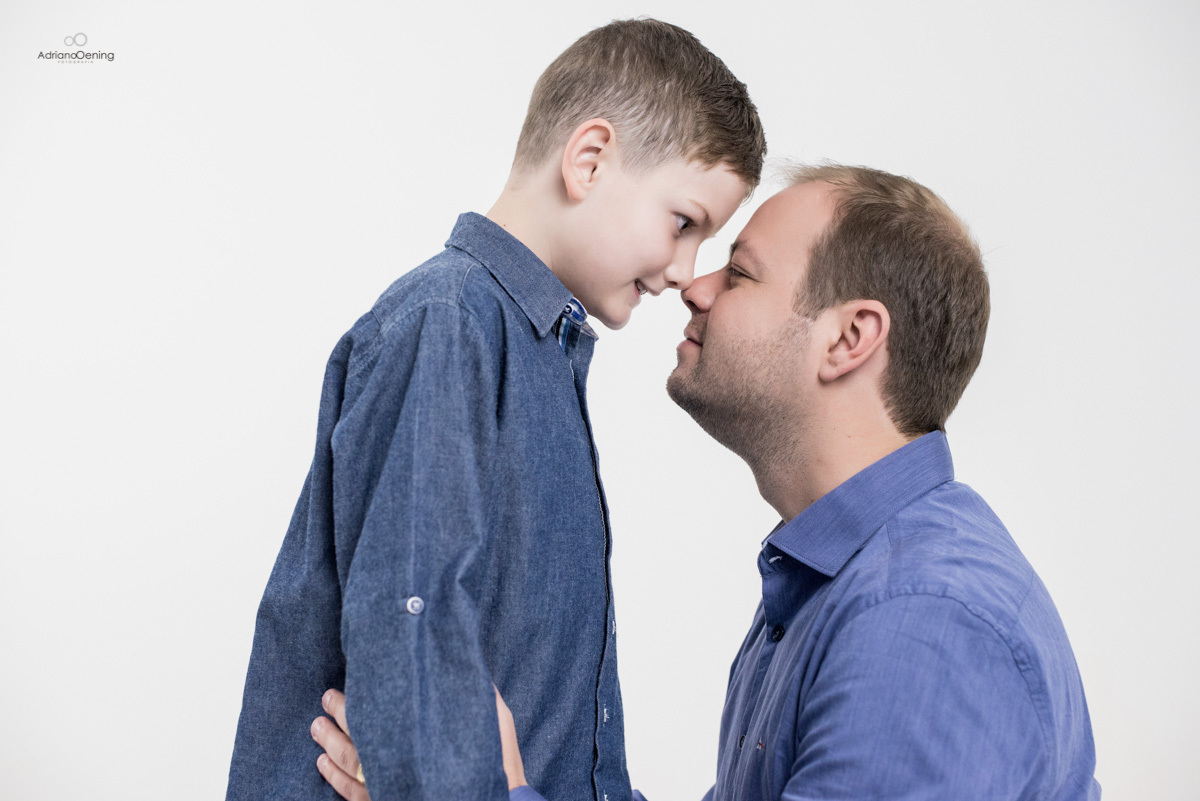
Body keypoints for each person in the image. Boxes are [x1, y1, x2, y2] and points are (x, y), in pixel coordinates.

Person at [313, 164, 1100, 799]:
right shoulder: (830, 587)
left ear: (850, 339)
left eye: (743, 274)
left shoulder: (922, 625)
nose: (695, 285)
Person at [225, 18, 764, 801]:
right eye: (684, 223)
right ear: (589, 160)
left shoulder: (542, 352)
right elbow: (412, 613)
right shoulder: (447, 323)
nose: (685, 271)